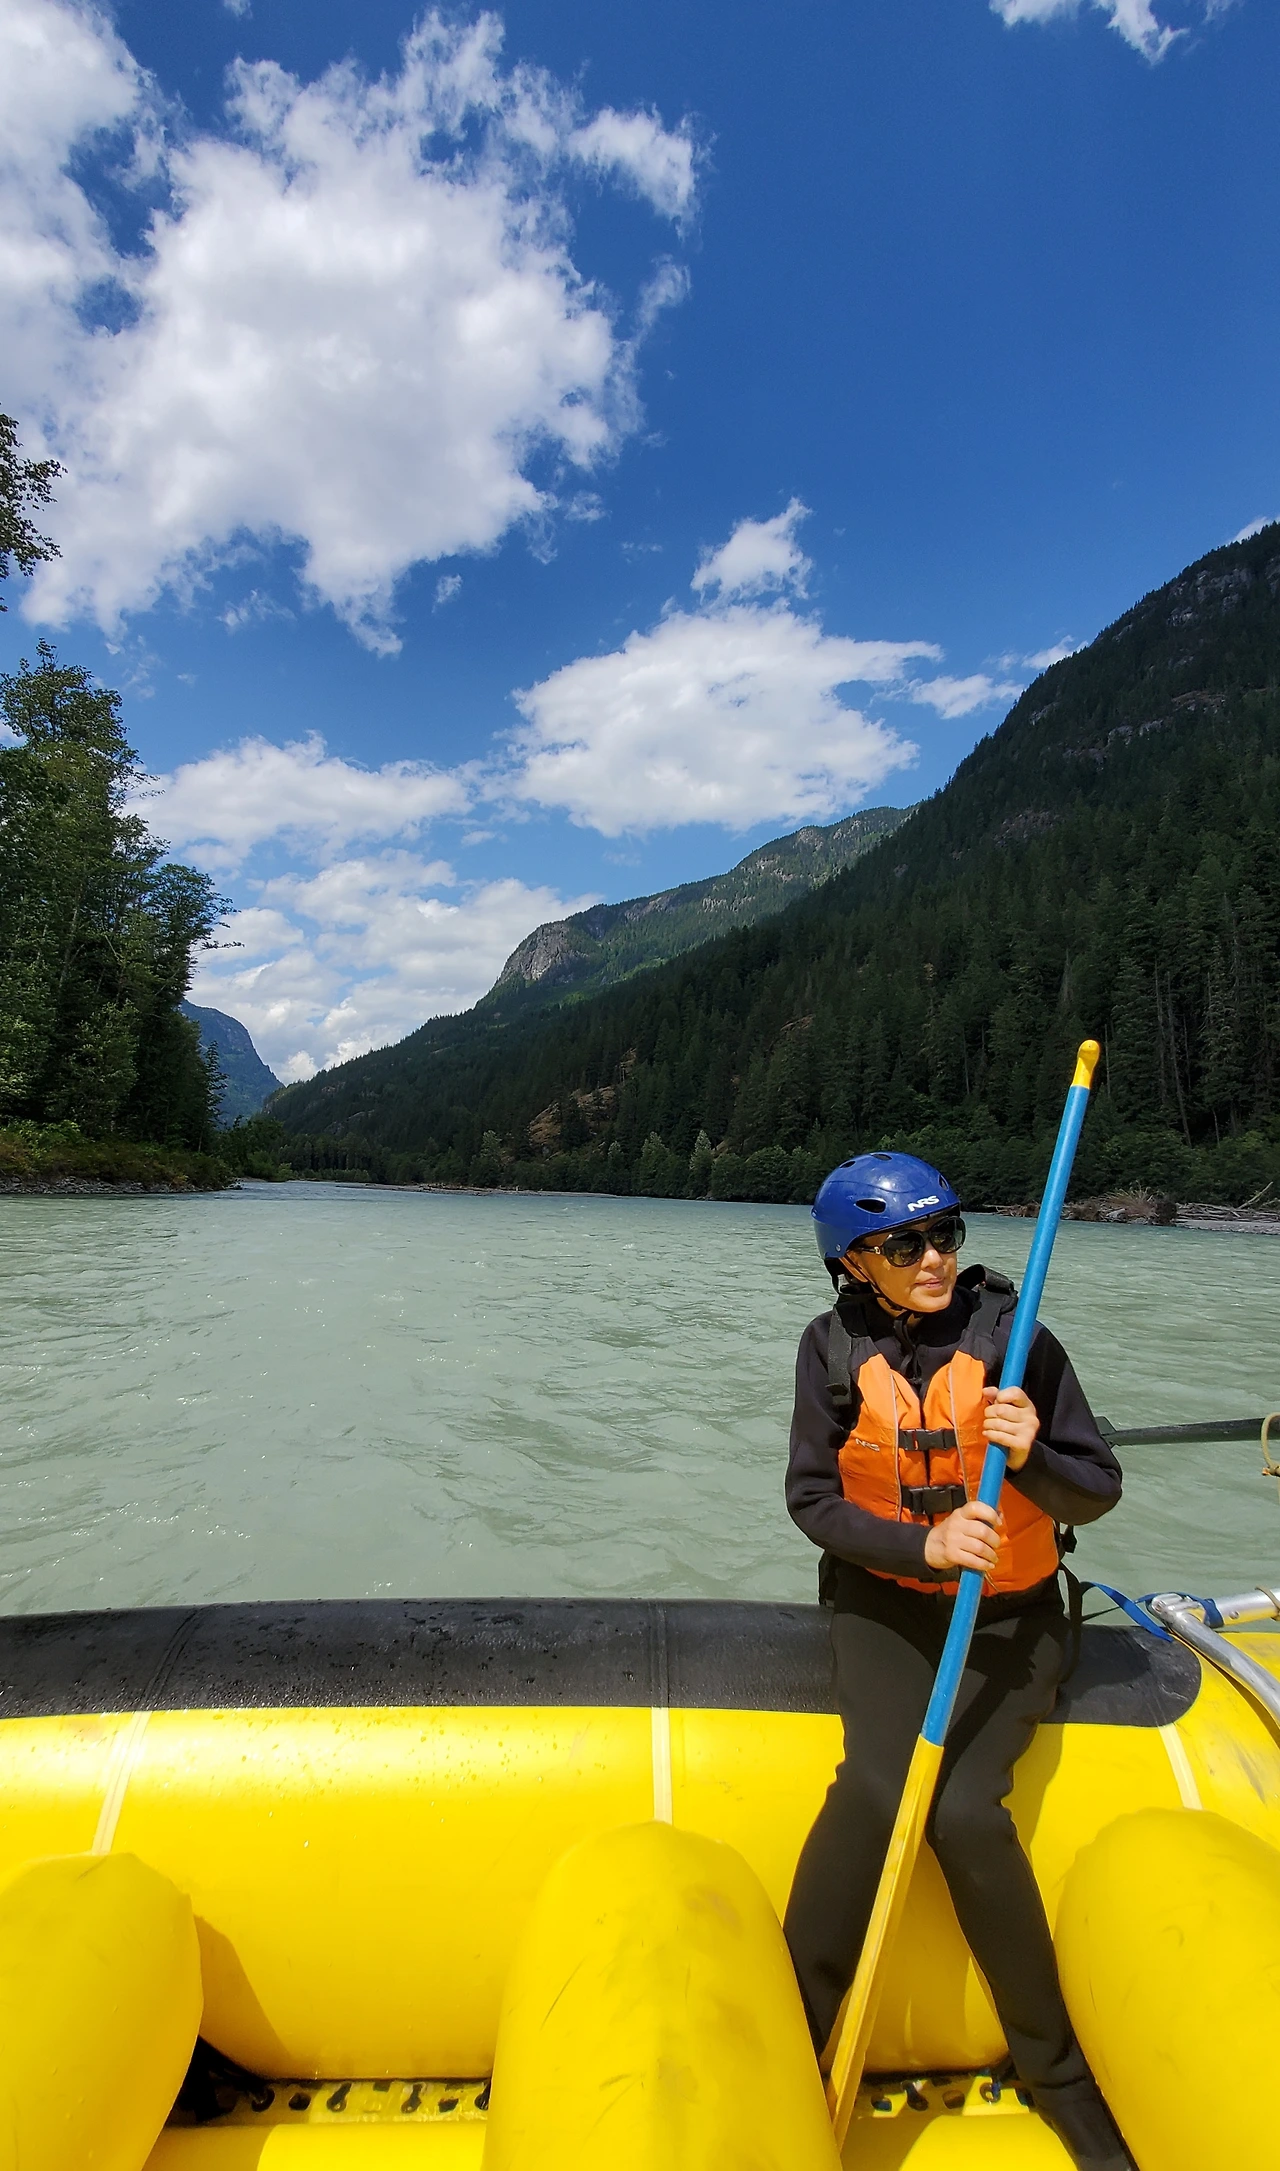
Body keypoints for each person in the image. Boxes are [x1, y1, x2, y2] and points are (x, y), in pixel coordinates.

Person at [783, 1150, 1132, 2171]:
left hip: (1009, 1618)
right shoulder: (828, 1349)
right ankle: (793, 2036)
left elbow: (1096, 1487)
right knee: (875, 1787)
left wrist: (1030, 1455)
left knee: (966, 1810)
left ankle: (1055, 2073)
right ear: (854, 1262)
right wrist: (921, 1545)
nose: (933, 1257)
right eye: (905, 1244)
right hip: (885, 1605)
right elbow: (812, 1500)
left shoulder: (1020, 1342)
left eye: (945, 1234)